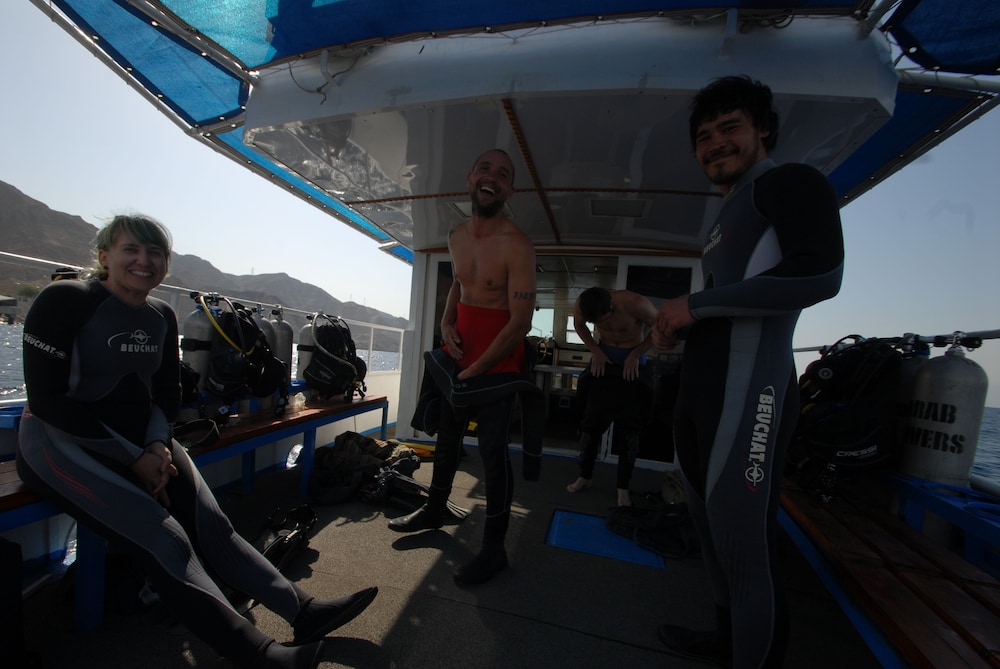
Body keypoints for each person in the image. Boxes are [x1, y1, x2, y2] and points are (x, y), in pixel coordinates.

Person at [16, 214, 377, 669]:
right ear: (105, 256)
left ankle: (302, 611)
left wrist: (155, 447)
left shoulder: (161, 315)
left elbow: (167, 396)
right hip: (59, 444)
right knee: (166, 540)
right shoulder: (66, 300)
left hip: (142, 444)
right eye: (131, 250)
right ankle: (258, 655)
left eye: (155, 253)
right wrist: (136, 459)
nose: (144, 261)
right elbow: (48, 401)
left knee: (214, 527)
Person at [651, 76, 844, 668]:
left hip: (751, 392)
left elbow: (822, 274)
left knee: (744, 544)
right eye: (704, 136)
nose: (715, 143)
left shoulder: (790, 183)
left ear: (763, 129)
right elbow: (731, 306)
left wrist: (695, 305)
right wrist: (680, 327)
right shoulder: (727, 214)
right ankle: (726, 638)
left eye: (729, 127)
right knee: (709, 527)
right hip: (705, 392)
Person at [388, 149, 537, 586]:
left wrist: (479, 368)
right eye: (485, 169)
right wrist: (444, 322)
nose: (492, 177)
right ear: (471, 178)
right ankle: (436, 508)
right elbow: (459, 282)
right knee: (448, 436)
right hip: (459, 354)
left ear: (509, 191)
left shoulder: (518, 245)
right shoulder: (455, 235)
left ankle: (494, 549)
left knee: (492, 451)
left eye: (503, 174)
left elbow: (521, 322)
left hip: (498, 364)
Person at [566, 287, 657, 507]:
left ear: (612, 305)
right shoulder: (582, 304)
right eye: (599, 324)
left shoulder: (637, 303)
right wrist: (595, 350)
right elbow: (579, 325)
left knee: (629, 430)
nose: (604, 325)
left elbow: (661, 330)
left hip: (633, 365)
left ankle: (623, 488)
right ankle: (585, 476)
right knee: (590, 426)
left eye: (605, 320)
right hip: (604, 362)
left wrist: (636, 353)